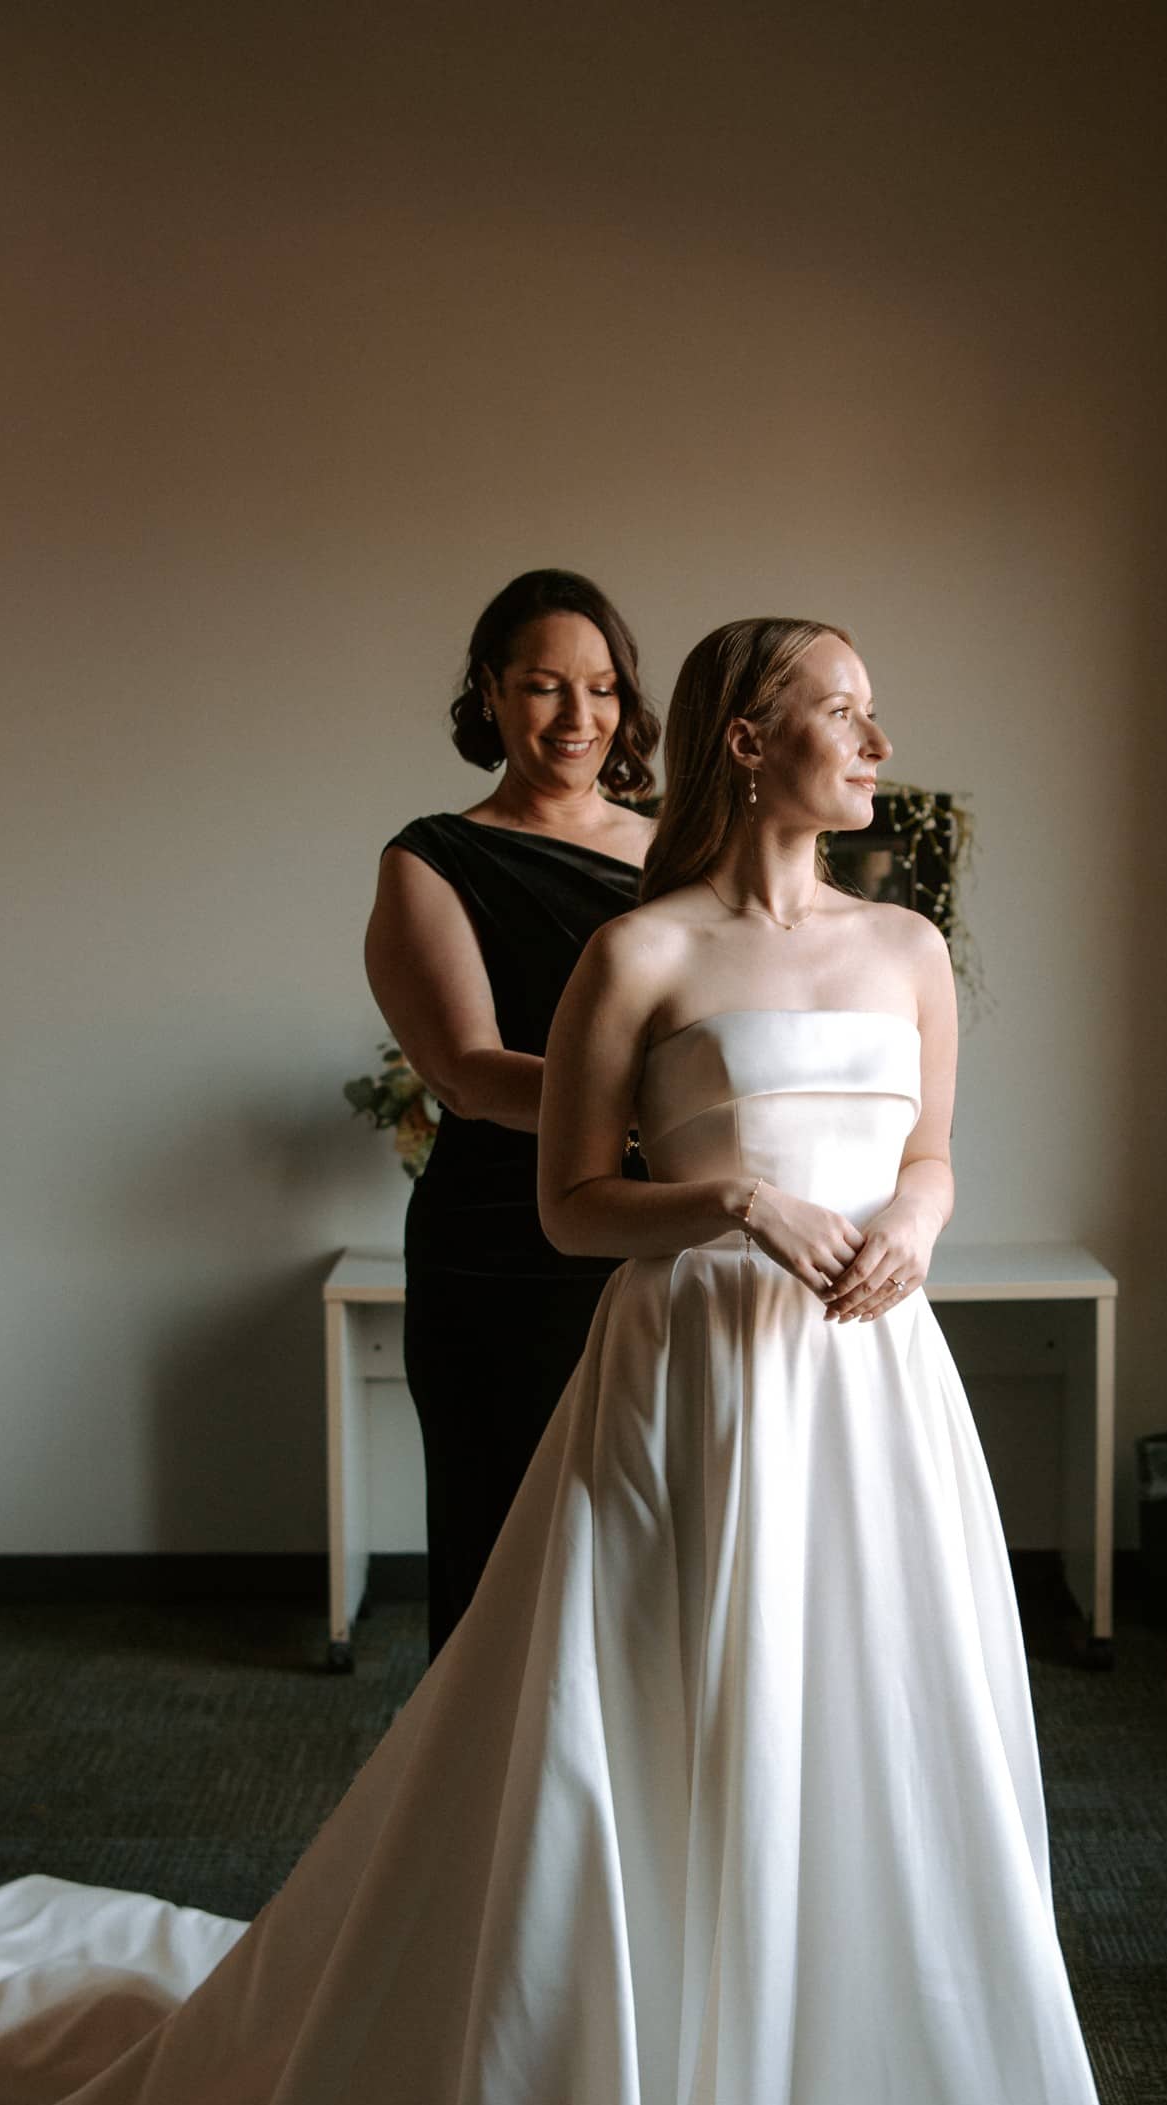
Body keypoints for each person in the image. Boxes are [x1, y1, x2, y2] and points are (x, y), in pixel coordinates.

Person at [0, 617, 1138, 2105]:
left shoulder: (908, 946)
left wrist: (908, 1222)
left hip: (866, 1398)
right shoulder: (636, 954)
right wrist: (736, 1196)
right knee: (666, 1739)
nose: (879, 740)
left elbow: (928, 1154)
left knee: (885, 1739)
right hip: (688, 1393)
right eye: (846, 710)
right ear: (749, 740)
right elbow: (576, 1199)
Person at [366, 567, 658, 1653]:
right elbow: (468, 1071)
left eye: (602, 688)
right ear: (488, 693)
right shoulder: (432, 859)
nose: (578, 717)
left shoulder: (679, 855)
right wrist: (656, 1111)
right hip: (502, 1253)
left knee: (649, 1569)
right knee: (507, 1578)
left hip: (657, 1240)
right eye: (543, 686)